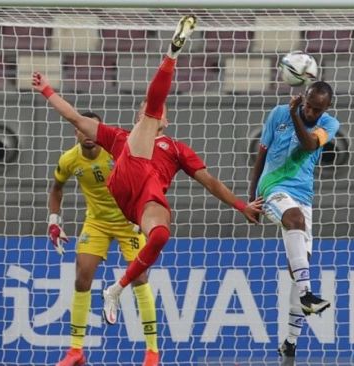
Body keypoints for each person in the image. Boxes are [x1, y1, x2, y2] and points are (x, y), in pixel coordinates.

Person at [33, 14, 263, 328]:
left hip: (144, 202)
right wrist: (47, 90)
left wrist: (240, 205)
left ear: (166, 121)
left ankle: (116, 288)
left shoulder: (178, 149)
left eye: (155, 112)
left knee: (161, 234)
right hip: (127, 175)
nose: (150, 112)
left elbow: (209, 181)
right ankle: (172, 54)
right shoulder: (119, 137)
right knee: (148, 116)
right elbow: (74, 117)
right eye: (144, 109)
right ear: (139, 114)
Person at [48, 113, 159, 365]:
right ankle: (76, 350)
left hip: (126, 220)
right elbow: (56, 188)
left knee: (140, 277)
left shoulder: (117, 152)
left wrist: (140, 213)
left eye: (92, 129)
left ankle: (152, 351)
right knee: (82, 275)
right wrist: (53, 221)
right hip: (96, 222)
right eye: (81, 129)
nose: (87, 134)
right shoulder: (69, 160)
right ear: (75, 132)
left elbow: (145, 178)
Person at [247, 81, 339, 365]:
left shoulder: (329, 124)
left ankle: (289, 343)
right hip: (273, 187)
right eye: (308, 104)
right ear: (304, 97)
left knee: (298, 266)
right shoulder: (278, 114)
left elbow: (309, 143)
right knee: (294, 221)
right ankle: (307, 295)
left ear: (326, 108)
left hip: (303, 195)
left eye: (316, 108)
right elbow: (261, 153)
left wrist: (298, 117)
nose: (310, 111)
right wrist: (250, 199)